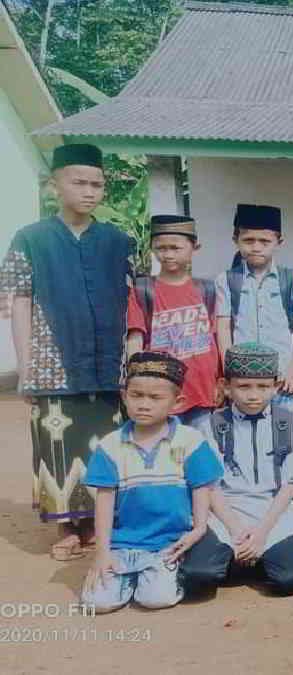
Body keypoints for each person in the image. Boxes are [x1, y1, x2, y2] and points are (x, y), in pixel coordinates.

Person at [0, 144, 133, 560]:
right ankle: (66, 527)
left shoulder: (118, 240)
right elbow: (19, 301)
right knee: (56, 442)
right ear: (54, 184)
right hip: (51, 361)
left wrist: (132, 360)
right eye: (79, 182)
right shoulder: (30, 239)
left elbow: (133, 301)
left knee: (105, 442)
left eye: (97, 184)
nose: (89, 191)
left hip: (107, 361)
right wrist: (25, 365)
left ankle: (96, 520)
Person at [80, 352, 222, 613]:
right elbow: (104, 499)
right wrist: (102, 553)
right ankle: (123, 578)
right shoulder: (109, 446)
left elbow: (201, 487)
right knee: (96, 603)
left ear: (177, 402)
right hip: (123, 544)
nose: (144, 404)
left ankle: (157, 577)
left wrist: (199, 528)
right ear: (124, 396)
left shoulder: (190, 441)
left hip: (169, 545)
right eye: (136, 395)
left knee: (156, 599)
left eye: (155, 397)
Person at [180, 343, 293, 598]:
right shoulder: (210, 424)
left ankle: (262, 557)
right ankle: (245, 558)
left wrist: (262, 533)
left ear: (275, 387)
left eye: (263, 387)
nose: (254, 395)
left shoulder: (288, 422)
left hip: (273, 512)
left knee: (292, 580)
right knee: (199, 576)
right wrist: (236, 530)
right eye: (243, 386)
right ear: (226, 387)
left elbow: (292, 482)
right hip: (226, 513)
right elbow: (210, 485)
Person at [126, 215, 221, 430]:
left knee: (200, 454)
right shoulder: (143, 290)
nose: (168, 254)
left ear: (195, 247)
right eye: (161, 248)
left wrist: (220, 381)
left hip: (202, 392)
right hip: (161, 394)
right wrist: (138, 382)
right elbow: (135, 340)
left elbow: (217, 337)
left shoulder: (207, 289)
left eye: (175, 248)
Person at [215, 204, 293, 410]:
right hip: (243, 381)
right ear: (235, 241)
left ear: (278, 242)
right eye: (248, 240)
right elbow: (223, 328)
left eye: (264, 241)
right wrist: (231, 372)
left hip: (282, 379)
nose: (256, 247)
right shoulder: (227, 280)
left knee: (283, 432)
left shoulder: (292, 279)